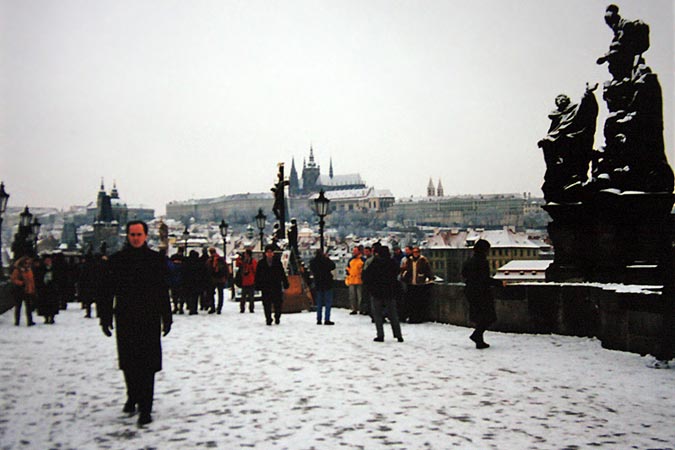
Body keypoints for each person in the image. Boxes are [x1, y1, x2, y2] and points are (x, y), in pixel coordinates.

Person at [98, 220, 172, 426]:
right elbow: (106, 292)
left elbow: (162, 291)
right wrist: (104, 317)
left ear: (146, 236)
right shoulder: (117, 261)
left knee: (147, 364)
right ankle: (133, 396)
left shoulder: (156, 260)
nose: (136, 238)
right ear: (128, 236)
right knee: (129, 363)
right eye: (132, 234)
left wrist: (167, 317)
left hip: (149, 318)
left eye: (139, 234)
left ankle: (145, 408)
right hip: (125, 317)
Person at [461, 239, 501, 349]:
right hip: (481, 292)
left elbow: (464, 274)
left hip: (470, 291)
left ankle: (479, 340)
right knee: (489, 317)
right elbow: (485, 279)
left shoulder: (469, 261)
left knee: (479, 316)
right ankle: (477, 335)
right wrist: (499, 283)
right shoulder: (482, 262)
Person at [363, 245, 403, 343]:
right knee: (393, 314)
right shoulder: (392, 262)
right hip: (390, 292)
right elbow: (398, 272)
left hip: (377, 292)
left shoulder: (375, 263)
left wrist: (371, 288)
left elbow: (366, 276)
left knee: (377, 314)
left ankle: (380, 335)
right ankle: (398, 335)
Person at [255, 244, 289, 326]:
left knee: (278, 303)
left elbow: (282, 273)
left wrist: (285, 282)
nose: (269, 254)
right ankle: (268, 318)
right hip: (265, 286)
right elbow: (258, 275)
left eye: (271, 252)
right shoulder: (261, 263)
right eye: (268, 252)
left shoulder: (277, 262)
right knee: (266, 303)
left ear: (273, 253)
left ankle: (277, 316)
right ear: (265, 253)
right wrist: (257, 285)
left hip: (276, 285)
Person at [401, 246, 434, 323]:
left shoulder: (423, 260)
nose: (416, 254)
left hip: (420, 283)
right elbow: (404, 270)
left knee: (419, 302)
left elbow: (428, 270)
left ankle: (419, 317)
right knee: (411, 302)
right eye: (414, 252)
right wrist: (405, 276)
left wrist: (430, 278)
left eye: (417, 252)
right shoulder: (409, 260)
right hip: (411, 283)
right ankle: (412, 317)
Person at [310, 249, 336, 325]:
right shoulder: (325, 260)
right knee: (328, 302)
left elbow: (312, 269)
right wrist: (327, 258)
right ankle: (327, 319)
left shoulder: (313, 262)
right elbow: (333, 266)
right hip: (327, 283)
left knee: (319, 303)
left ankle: (319, 319)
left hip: (318, 283)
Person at [10, 256, 36, 327]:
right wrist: (21, 283)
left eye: (28, 263)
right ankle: (17, 321)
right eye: (26, 263)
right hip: (19, 290)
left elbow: (31, 280)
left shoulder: (29, 270)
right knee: (18, 306)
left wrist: (32, 288)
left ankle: (29, 321)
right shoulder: (17, 270)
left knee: (28, 306)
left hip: (27, 290)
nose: (27, 264)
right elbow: (13, 279)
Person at [35, 255, 59, 324]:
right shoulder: (40, 268)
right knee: (44, 304)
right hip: (43, 289)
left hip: (52, 289)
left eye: (49, 260)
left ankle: (52, 317)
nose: (48, 262)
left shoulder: (54, 268)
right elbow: (38, 278)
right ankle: (46, 317)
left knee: (52, 303)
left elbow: (58, 277)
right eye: (46, 260)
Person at [206, 247, 229, 314]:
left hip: (212, 279)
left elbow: (207, 270)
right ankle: (219, 308)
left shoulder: (209, 260)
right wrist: (226, 277)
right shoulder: (221, 259)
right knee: (220, 293)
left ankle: (212, 307)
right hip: (220, 279)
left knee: (211, 293)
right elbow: (226, 268)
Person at [236, 249, 258, 313]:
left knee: (248, 297)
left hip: (249, 281)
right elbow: (238, 264)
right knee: (247, 297)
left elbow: (255, 269)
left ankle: (248, 308)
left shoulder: (251, 262)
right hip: (247, 281)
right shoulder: (246, 261)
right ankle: (245, 308)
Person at [345, 246, 364, 316]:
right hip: (352, 280)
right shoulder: (351, 260)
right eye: (353, 251)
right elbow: (347, 269)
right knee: (352, 296)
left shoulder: (362, 260)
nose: (354, 252)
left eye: (355, 251)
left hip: (359, 280)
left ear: (359, 251)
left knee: (360, 296)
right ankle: (354, 309)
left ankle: (361, 309)